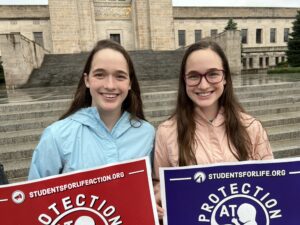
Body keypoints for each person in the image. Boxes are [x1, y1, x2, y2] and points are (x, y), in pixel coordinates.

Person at [153, 40, 273, 219]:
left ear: (225, 78)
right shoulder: (167, 132)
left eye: (213, 74)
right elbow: (159, 183)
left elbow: (272, 182)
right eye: (193, 76)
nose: (203, 85)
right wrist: (158, 198)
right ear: (184, 81)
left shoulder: (251, 127)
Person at [28, 39, 155, 179]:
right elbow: (36, 197)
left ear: (130, 83)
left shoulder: (147, 133)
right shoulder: (56, 136)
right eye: (100, 75)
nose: (110, 85)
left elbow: (155, 186)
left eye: (120, 76)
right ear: (87, 80)